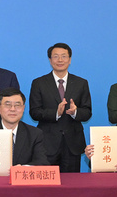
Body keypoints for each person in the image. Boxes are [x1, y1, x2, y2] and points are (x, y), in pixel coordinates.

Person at [28, 42, 91, 173]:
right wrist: (55, 113)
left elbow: (87, 112)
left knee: (72, 185)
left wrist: (75, 112)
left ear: (70, 60)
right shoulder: (39, 83)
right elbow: (34, 112)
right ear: (50, 60)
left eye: (64, 56)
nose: (60, 60)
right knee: (48, 186)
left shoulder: (81, 83)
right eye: (56, 56)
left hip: (72, 143)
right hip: (47, 143)